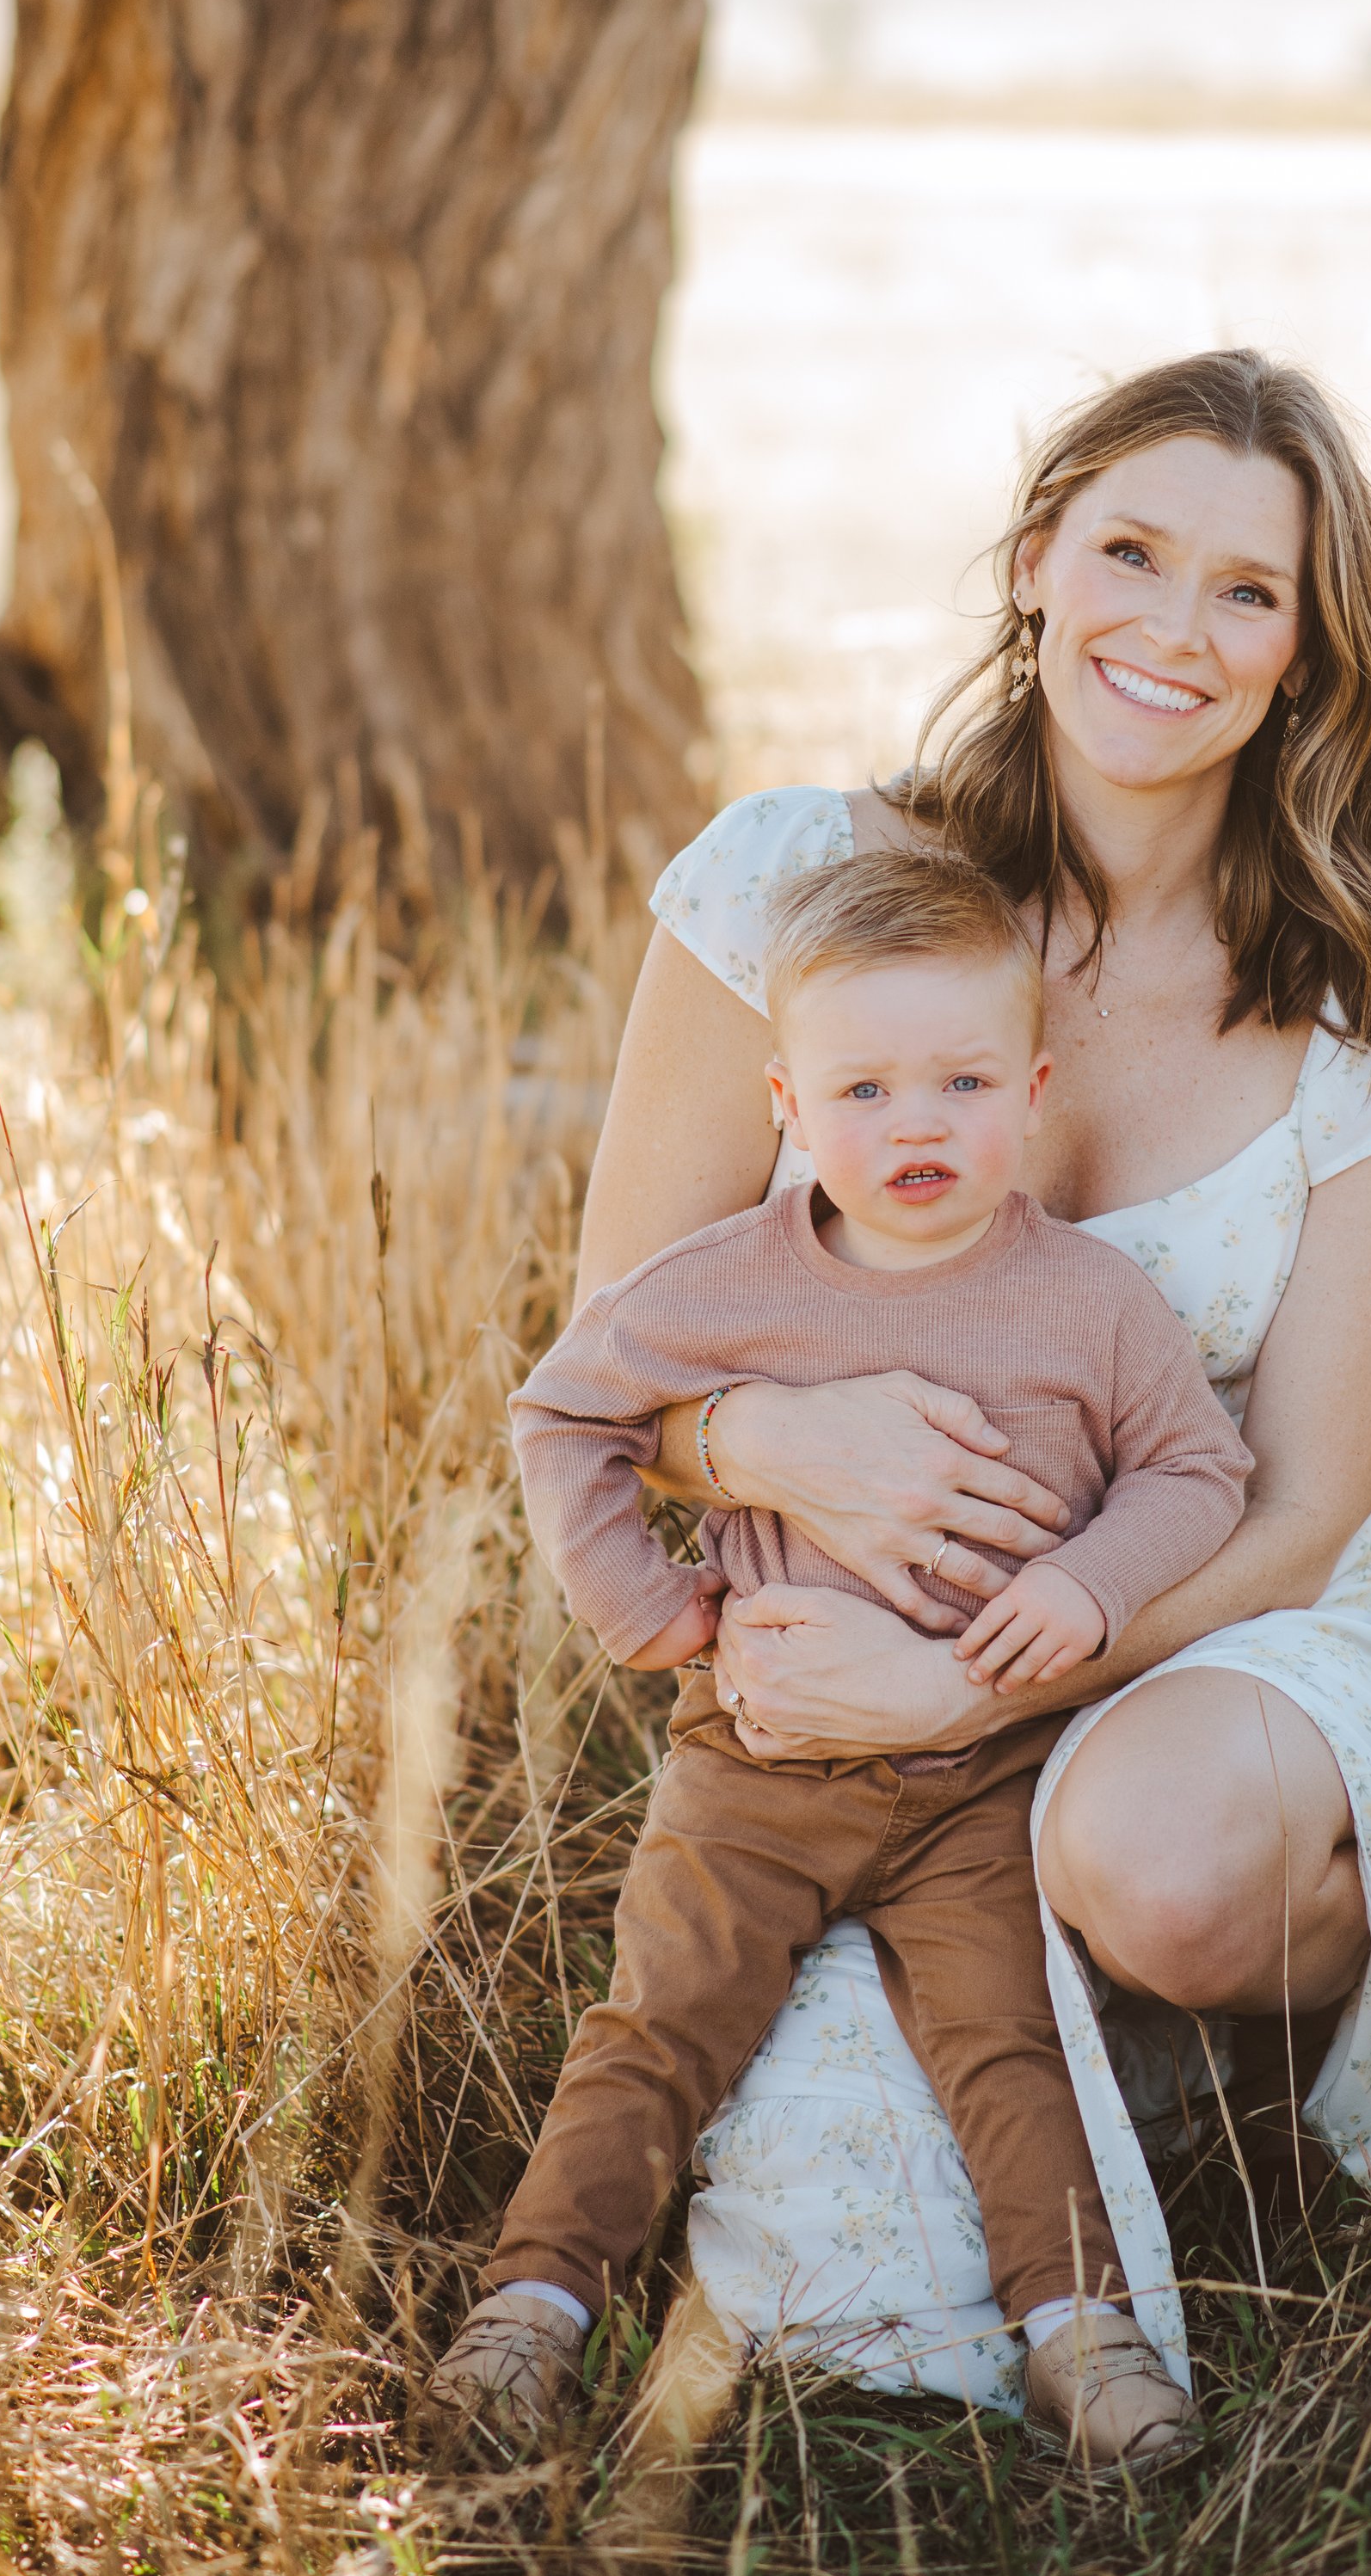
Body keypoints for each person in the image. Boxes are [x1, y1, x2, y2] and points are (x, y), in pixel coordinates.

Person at [495, 346, 1371, 2422]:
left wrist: (967, 1690)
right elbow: (612, 1352)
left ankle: (1275, 2003)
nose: (1170, 627)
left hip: (1232, 1618)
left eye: (1246, 592)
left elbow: (1299, 1506)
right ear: (1033, 563)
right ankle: (1078, 2037)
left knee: (1152, 1856)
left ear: (1306, 652)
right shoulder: (792, 888)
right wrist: (771, 1438)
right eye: (1130, 552)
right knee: (828, 2279)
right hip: (856, 1674)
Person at [427, 851, 1251, 2468]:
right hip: (760, 1761)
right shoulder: (730, 1282)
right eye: (865, 1087)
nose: (918, 1124)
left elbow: (1198, 1474)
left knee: (1006, 2044)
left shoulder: (1089, 1302)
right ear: (788, 1101)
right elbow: (562, 1412)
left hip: (983, 1773)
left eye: (960, 1081)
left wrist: (1089, 1589)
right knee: (659, 2022)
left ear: (1033, 1085)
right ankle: (532, 2306)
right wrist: (642, 1610)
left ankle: (1081, 2336)